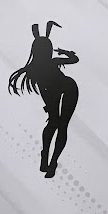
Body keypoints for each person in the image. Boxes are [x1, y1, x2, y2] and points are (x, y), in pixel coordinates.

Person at [9, 21, 79, 178]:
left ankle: (50, 160)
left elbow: (74, 60)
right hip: (65, 89)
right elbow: (74, 59)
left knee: (58, 124)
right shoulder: (45, 65)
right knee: (59, 125)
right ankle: (49, 158)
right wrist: (66, 53)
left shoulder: (36, 68)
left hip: (66, 89)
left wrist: (49, 104)